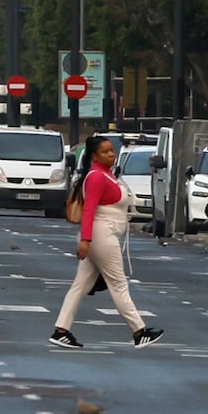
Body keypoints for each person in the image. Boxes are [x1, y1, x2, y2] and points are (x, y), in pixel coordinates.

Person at [50, 135, 155, 347]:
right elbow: (89, 210)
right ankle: (139, 331)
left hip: (103, 234)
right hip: (101, 235)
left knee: (80, 285)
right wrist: (86, 240)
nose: (112, 154)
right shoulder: (96, 176)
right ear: (95, 156)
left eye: (112, 150)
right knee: (118, 284)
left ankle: (61, 330)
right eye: (106, 152)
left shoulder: (107, 175)